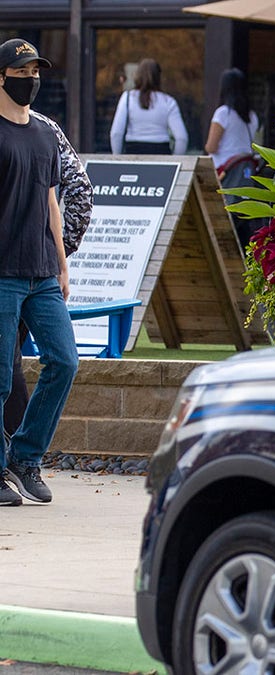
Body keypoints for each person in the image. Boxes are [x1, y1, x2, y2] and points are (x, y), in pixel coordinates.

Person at [0, 38, 80, 505]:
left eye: (36, 71)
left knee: (64, 361)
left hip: (42, 273)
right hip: (3, 272)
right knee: (1, 379)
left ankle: (25, 458)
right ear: (2, 76)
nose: (31, 79)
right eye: (22, 70)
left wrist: (62, 264)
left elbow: (52, 201)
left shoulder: (46, 134)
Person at [4, 108, 92, 443]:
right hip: (31, 266)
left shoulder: (42, 129)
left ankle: (18, 453)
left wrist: (57, 255)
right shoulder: (46, 127)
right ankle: (15, 454)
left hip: (32, 270)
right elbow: (81, 192)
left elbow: (69, 195)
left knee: (27, 363)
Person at [109, 58, 188, 154]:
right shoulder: (168, 101)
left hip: (133, 153)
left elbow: (116, 134)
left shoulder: (128, 98)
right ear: (159, 77)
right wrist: (176, 161)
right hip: (161, 154)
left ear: (137, 76)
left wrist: (117, 159)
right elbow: (181, 138)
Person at [205, 68, 259, 179]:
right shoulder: (252, 116)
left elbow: (211, 147)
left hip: (224, 171)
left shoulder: (223, 113)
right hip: (245, 168)